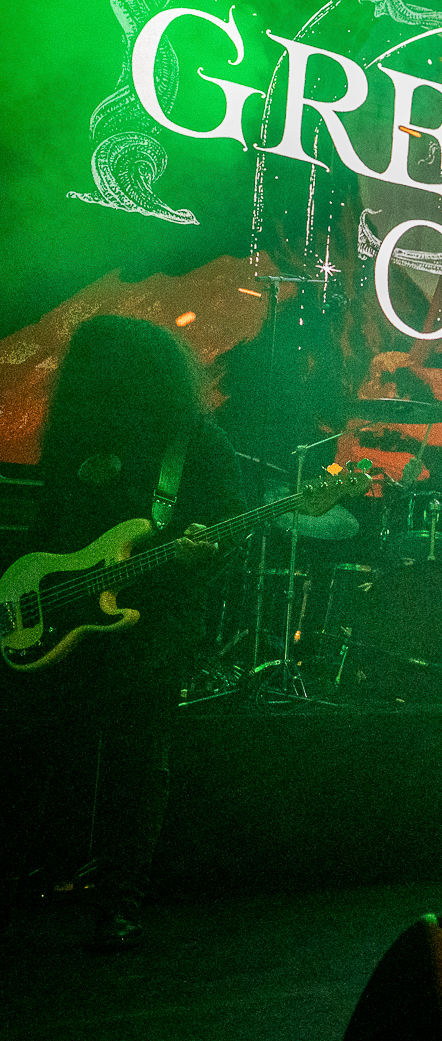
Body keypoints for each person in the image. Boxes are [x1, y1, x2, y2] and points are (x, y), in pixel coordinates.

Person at [2, 315, 245, 949]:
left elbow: (227, 532)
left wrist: (203, 550)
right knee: (40, 746)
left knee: (137, 758)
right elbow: (50, 528)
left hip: (155, 620)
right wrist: (28, 586)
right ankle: (33, 873)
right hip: (59, 616)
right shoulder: (76, 434)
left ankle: (119, 900)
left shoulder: (197, 443)